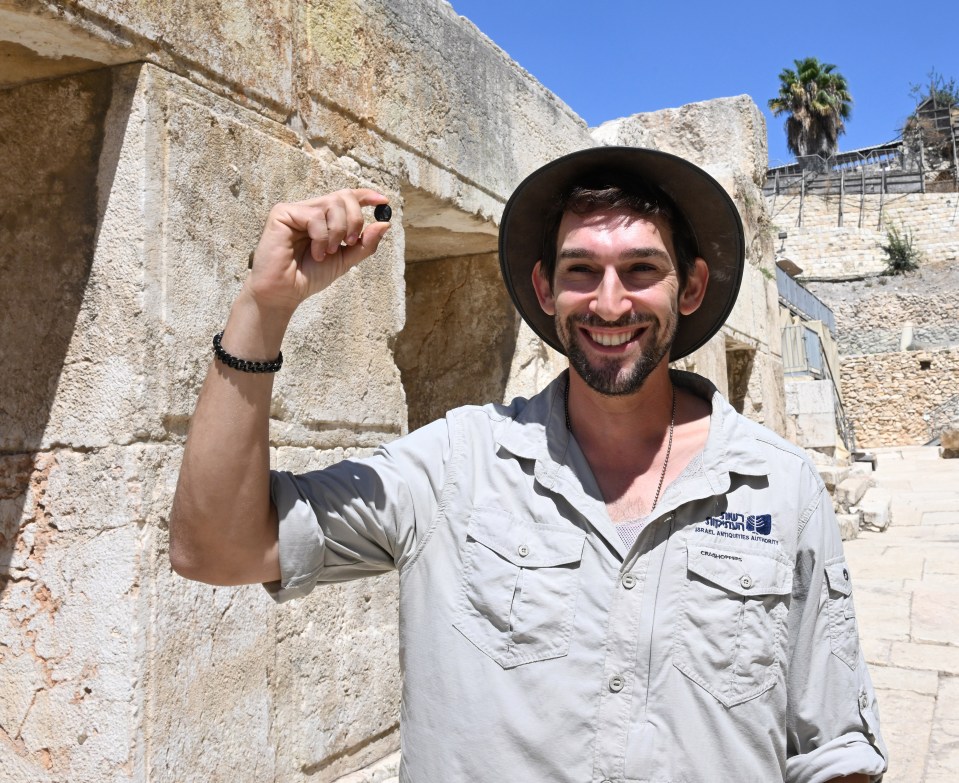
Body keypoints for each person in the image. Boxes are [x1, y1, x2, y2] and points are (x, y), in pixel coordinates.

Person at [170, 147, 888, 782]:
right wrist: (263, 307)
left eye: (640, 269)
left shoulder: (781, 486)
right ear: (546, 290)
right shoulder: (456, 463)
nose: (609, 303)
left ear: (690, 288)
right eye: (582, 272)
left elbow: (833, 749)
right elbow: (219, 547)